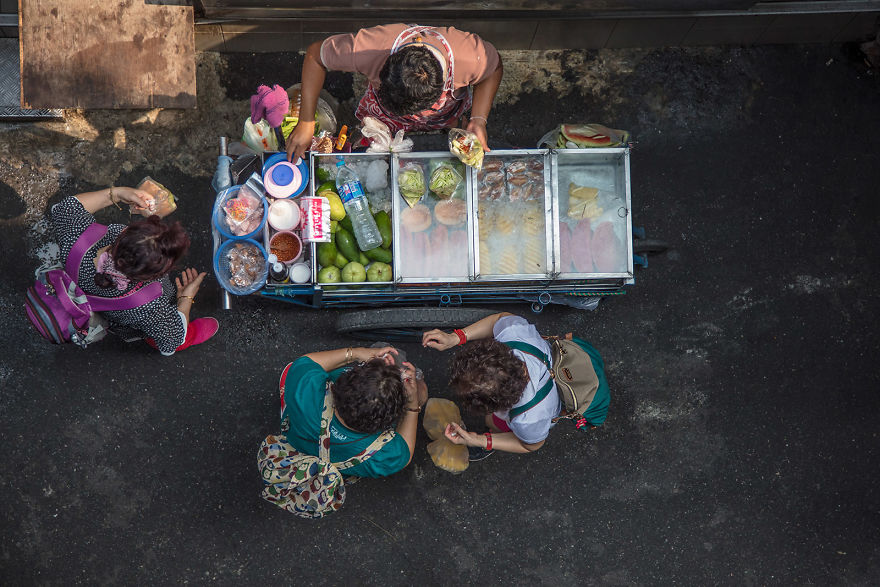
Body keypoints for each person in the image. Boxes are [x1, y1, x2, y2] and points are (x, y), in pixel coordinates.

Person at [286, 23, 503, 161]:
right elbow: (316, 55)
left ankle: (445, 127)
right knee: (372, 142)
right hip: (383, 114)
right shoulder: (367, 49)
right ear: (386, 69)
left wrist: (478, 119)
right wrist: (306, 121)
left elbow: (493, 69)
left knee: (454, 130)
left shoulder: (470, 56)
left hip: (445, 113)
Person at [51, 187, 217, 355]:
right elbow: (172, 342)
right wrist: (185, 299)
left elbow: (64, 208)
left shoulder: (76, 240)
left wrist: (117, 193)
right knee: (168, 335)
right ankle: (179, 337)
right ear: (154, 276)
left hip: (97, 305)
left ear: (124, 233)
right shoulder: (148, 306)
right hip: (133, 321)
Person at [422, 312, 561, 460]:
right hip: (552, 364)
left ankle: (494, 433)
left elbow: (531, 445)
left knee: (492, 422)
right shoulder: (514, 333)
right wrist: (455, 338)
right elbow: (499, 319)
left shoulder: (528, 421)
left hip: (547, 409)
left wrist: (480, 440)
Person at [279, 345, 428, 478]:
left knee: (295, 372)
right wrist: (412, 404)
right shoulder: (382, 454)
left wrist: (356, 353)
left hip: (300, 439)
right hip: (349, 460)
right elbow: (406, 452)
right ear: (387, 419)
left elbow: (307, 361)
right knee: (422, 393)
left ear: (339, 387)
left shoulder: (305, 390)